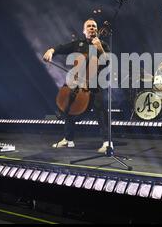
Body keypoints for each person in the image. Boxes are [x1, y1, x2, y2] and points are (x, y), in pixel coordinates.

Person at [43, 18, 111, 153]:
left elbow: (108, 63)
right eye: (89, 26)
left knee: (101, 110)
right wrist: (51, 51)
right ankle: (68, 140)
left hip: (96, 84)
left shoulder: (102, 45)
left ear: (97, 30)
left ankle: (107, 142)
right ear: (84, 30)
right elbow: (61, 48)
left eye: (94, 26)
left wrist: (100, 49)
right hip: (77, 83)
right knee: (67, 107)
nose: (92, 28)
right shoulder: (78, 44)